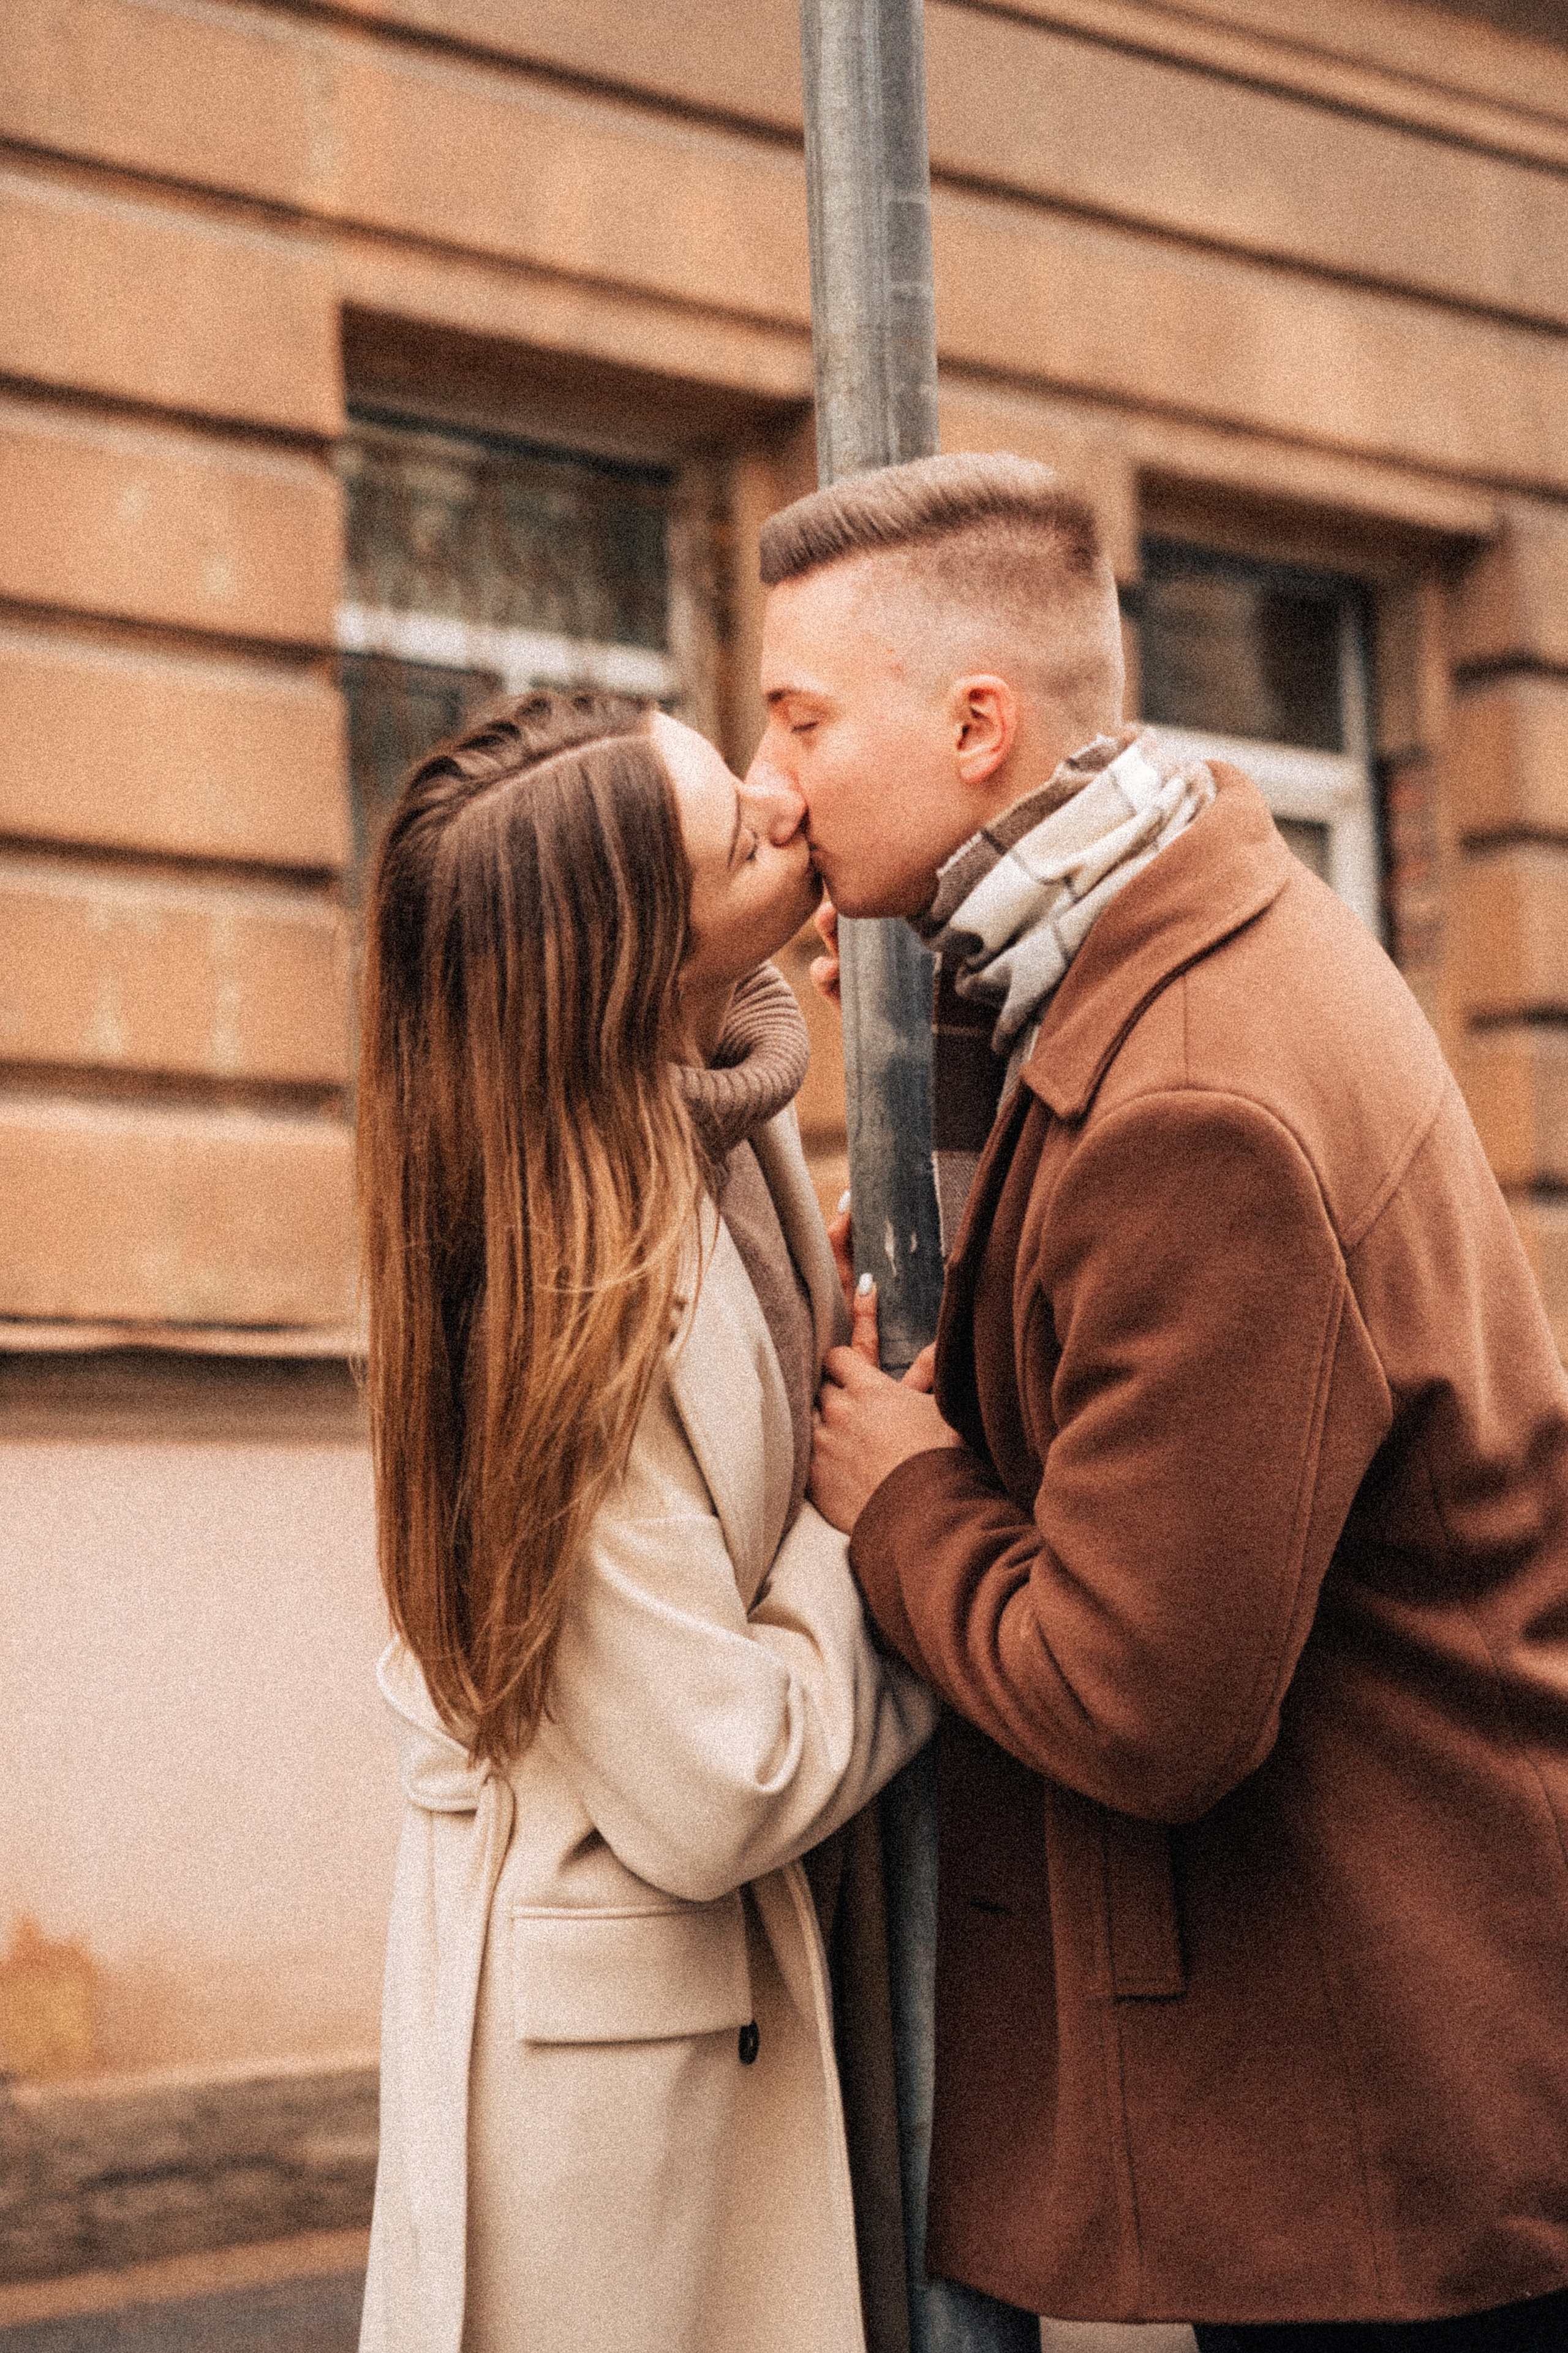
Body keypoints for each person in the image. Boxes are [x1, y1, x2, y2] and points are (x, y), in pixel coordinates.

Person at [743, 451, 1568, 2350]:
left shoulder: (1197, 1105)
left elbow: (1145, 1701)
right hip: (1395, 2047)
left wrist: (903, 1499)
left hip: (1394, 2105)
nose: (771, 780)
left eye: (803, 718)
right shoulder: (1163, 935)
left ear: (976, 727)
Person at [354, 689, 937, 2353]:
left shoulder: (701, 1125)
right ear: (631, 965)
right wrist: (886, 1507)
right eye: (738, 838)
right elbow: (716, 1780)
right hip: (618, 2098)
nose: (785, 802)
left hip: (713, 2011)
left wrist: (814, 1323)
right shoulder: (560, 1299)